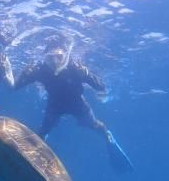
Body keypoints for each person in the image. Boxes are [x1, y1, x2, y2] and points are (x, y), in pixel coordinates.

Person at [14, 33, 134, 173]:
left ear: (66, 55)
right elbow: (17, 86)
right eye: (50, 58)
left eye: (59, 56)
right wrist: (24, 73)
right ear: (44, 58)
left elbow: (100, 86)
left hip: (77, 104)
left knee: (94, 125)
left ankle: (108, 135)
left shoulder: (76, 69)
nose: (54, 61)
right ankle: (35, 157)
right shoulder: (41, 71)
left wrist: (87, 73)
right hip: (54, 106)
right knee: (43, 132)